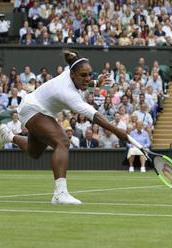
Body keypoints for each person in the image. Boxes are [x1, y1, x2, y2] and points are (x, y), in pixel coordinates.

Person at [0, 50, 128, 205]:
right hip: (32, 109)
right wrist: (118, 131)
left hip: (39, 109)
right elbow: (94, 115)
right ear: (72, 74)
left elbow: (83, 82)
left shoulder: (71, 74)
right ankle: (60, 194)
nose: (87, 78)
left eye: (90, 75)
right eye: (83, 75)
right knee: (63, 142)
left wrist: (95, 83)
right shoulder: (67, 93)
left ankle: (7, 136)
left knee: (34, 153)